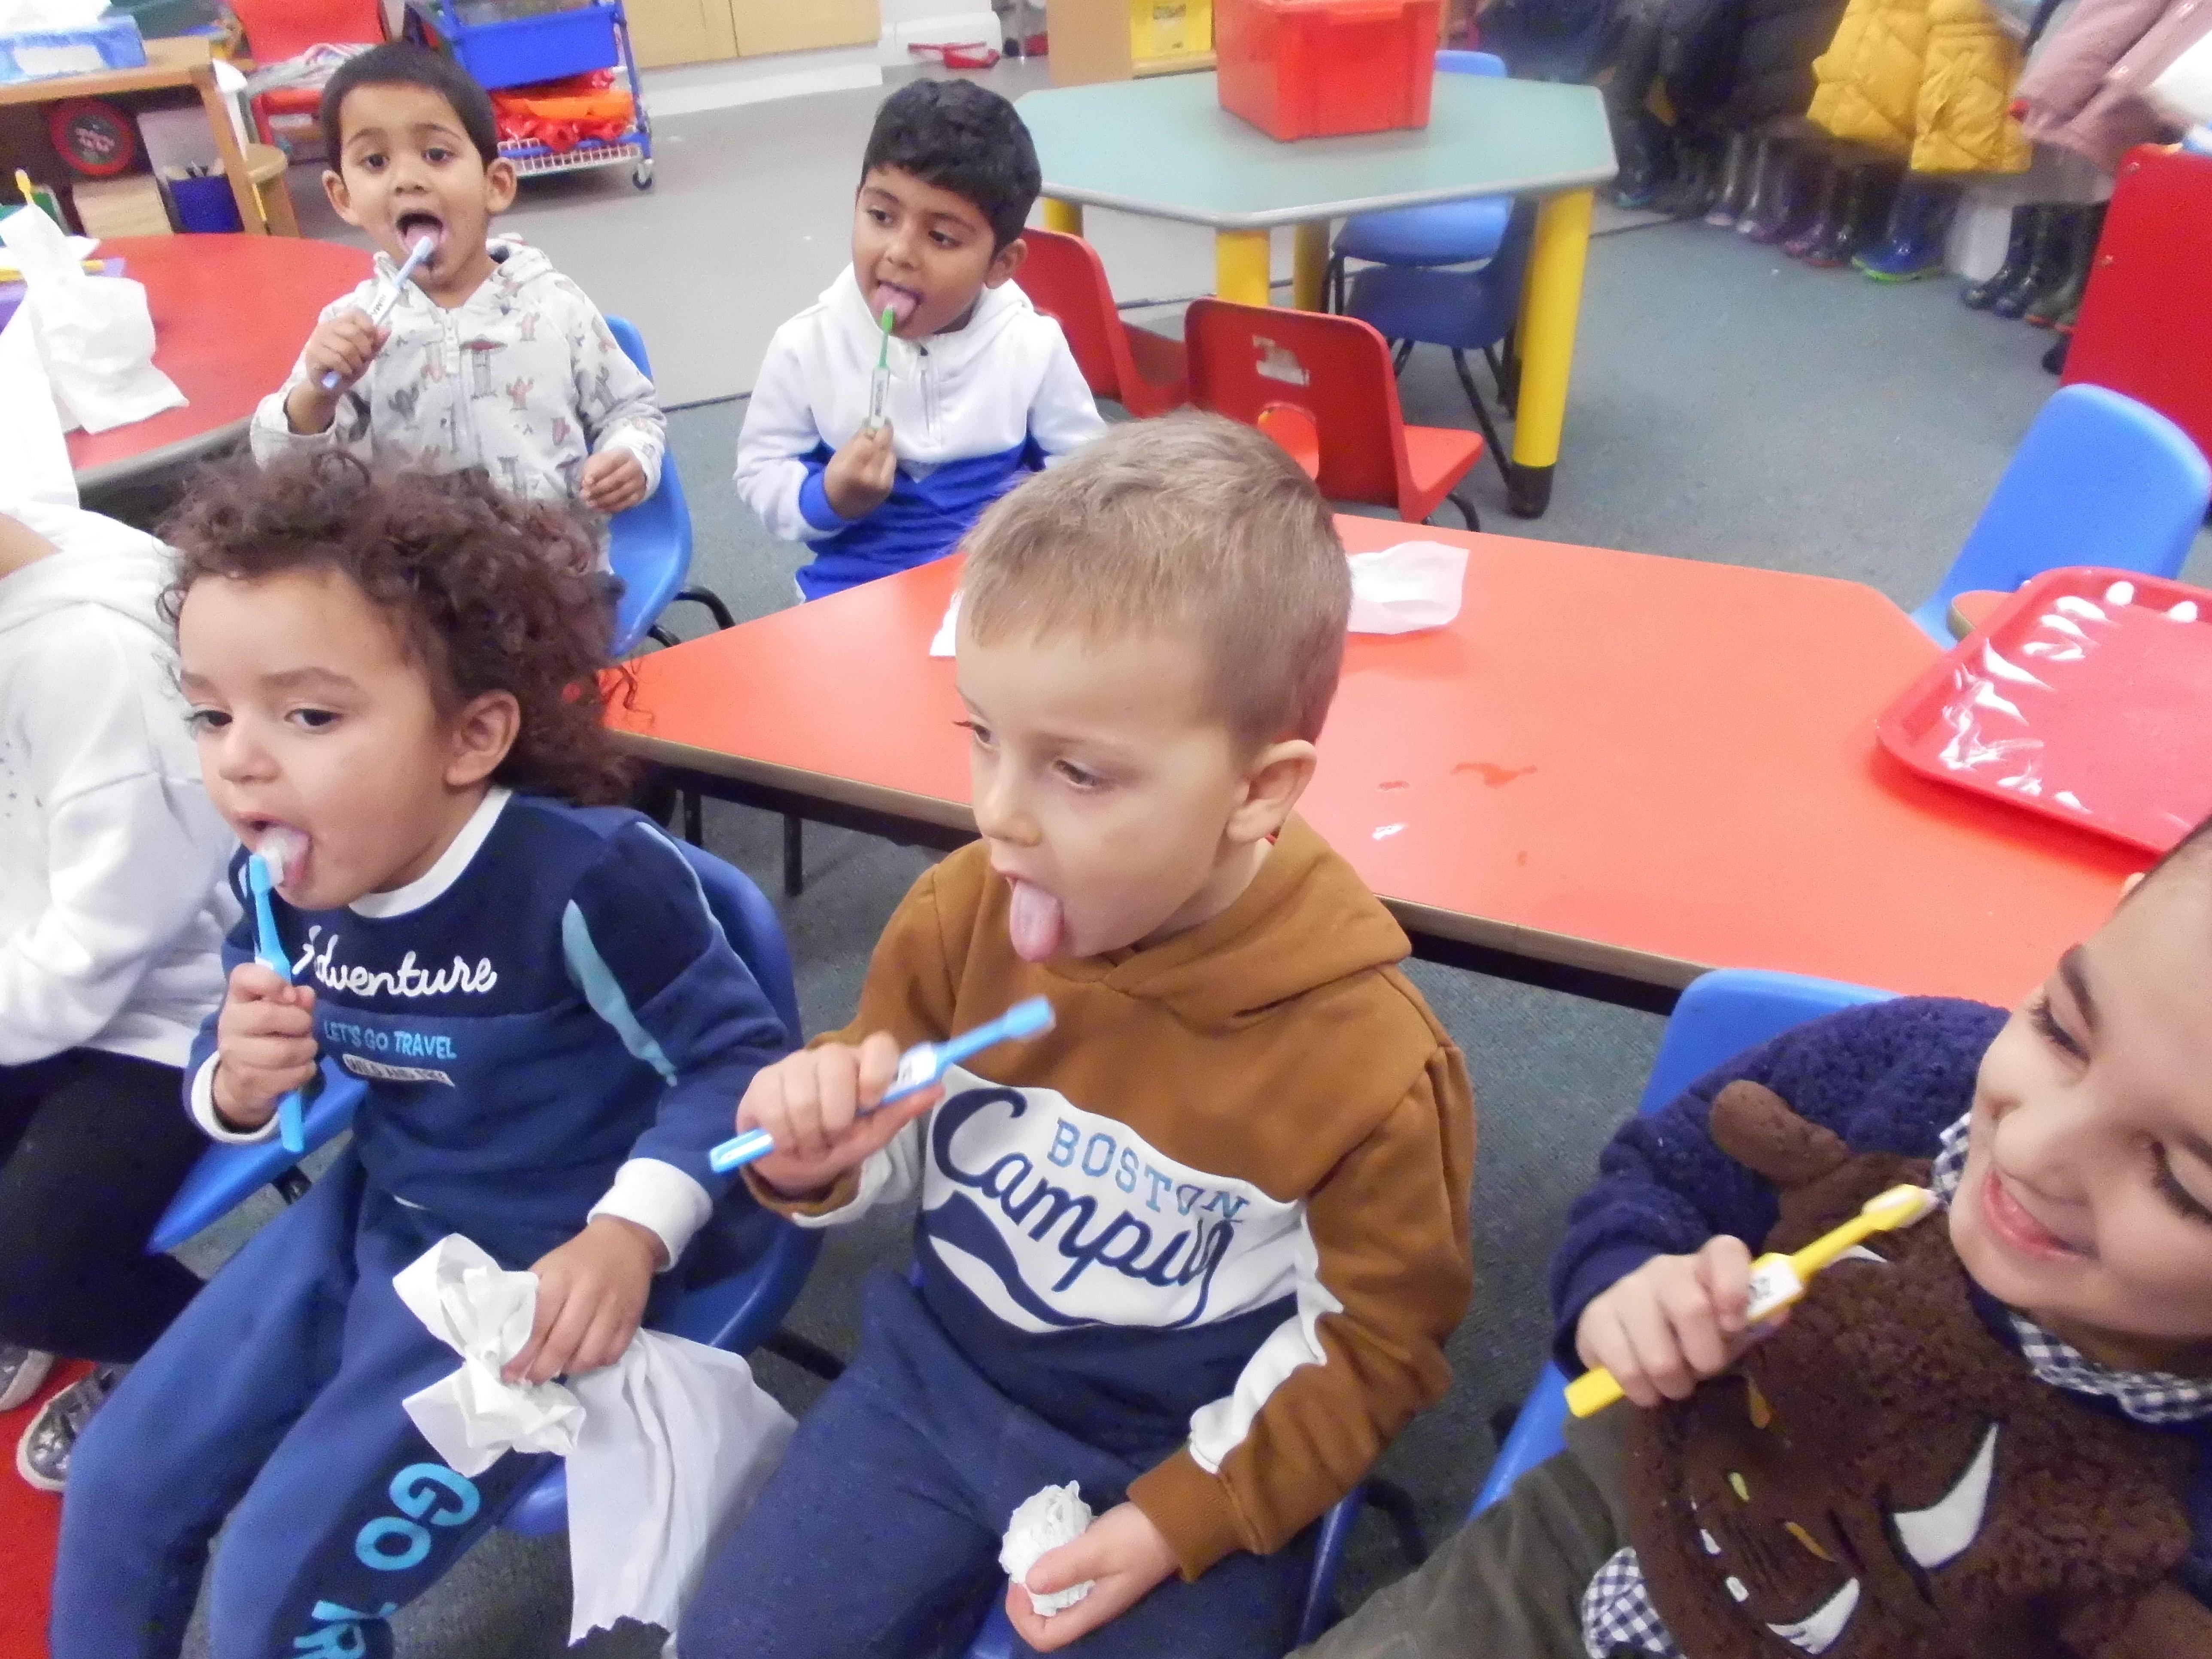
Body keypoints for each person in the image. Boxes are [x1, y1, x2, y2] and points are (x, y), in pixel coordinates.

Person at [682, 414, 1478, 1658]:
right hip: (934, 1386)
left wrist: (1179, 1519)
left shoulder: (1371, 1064)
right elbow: (886, 1116)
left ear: (1258, 790)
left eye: (1081, 774)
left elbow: (1377, 1345)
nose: (999, 816)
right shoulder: (960, 912)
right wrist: (817, 1150)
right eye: (983, 739)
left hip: (1185, 1445)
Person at [49, 453, 788, 1659]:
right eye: (211, 713)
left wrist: (629, 1233)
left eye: (309, 716)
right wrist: (236, 1082)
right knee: (119, 1485)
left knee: (277, 1598)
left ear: (471, 735)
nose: (239, 759)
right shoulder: (281, 884)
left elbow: (737, 1067)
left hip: (546, 1263)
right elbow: (231, 1047)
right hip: (378, 1213)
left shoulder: (585, 884)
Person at [1293, 814, 2212, 1659]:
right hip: (1623, 1514)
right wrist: (1629, 1290)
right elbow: (1665, 1175)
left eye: (2179, 1179)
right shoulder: (1913, 1073)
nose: (2026, 1147)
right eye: (2061, 1030)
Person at [0, 501, 234, 1492]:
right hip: (41, 974)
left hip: (179, 1009)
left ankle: (208, 1363)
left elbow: (101, 948)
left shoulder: (88, 652)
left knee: (35, 1269)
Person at [250, 43, 665, 532]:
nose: (407, 180)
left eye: (436, 155)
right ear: (343, 198)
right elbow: (281, 469)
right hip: (410, 570)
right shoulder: (349, 329)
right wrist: (317, 396)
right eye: (375, 161)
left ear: (496, 185)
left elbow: (633, 411)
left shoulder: (555, 305)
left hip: (552, 561)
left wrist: (630, 457)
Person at [734, 76, 1105, 601]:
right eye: (881, 217)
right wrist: (830, 497)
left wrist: (1046, 536)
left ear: (1001, 264)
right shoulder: (806, 346)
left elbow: (1086, 468)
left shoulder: (1032, 345)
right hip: (853, 591)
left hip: (1000, 583)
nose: (900, 252)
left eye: (942, 237)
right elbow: (760, 472)